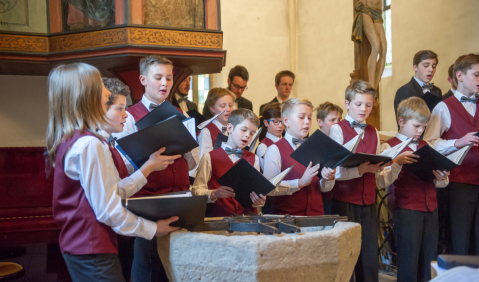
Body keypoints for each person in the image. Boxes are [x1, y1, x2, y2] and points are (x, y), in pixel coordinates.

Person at [46, 63, 180, 282]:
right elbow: (108, 210)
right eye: (101, 86)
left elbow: (111, 190)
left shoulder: (77, 138)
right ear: (86, 95)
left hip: (84, 246)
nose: (108, 92)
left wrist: (146, 169)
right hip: (91, 249)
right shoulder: (89, 144)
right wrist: (152, 228)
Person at [113, 55, 199, 282]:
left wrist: (189, 149)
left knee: (180, 267)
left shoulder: (183, 115)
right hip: (149, 202)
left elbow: (192, 165)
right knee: (148, 267)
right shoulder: (128, 117)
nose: (165, 83)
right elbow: (124, 164)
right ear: (143, 79)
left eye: (169, 78)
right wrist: (150, 156)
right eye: (158, 77)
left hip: (181, 198)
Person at [377, 97, 449, 282]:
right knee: (409, 264)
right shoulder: (388, 146)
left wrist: (441, 177)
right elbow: (381, 181)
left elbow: (436, 180)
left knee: (429, 262)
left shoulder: (426, 146)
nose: (420, 131)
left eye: (423, 127)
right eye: (416, 126)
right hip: (407, 210)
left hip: (431, 208)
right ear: (401, 121)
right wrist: (396, 162)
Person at [329, 80, 389, 282]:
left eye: (368, 105)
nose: (364, 109)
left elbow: (376, 167)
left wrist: (384, 166)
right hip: (345, 201)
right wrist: (360, 170)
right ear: (347, 103)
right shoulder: (337, 130)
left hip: (369, 201)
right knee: (348, 255)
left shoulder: (373, 132)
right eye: (358, 104)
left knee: (369, 255)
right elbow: (335, 173)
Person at [424, 54, 479, 256]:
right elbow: (428, 144)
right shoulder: (443, 107)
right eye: (477, 75)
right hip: (458, 184)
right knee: (460, 241)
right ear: (460, 75)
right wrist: (457, 142)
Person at [263, 98, 336, 216]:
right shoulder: (274, 150)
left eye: (309, 117)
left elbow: (322, 188)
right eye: (301, 117)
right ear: (286, 121)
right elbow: (269, 189)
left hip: (317, 217)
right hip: (288, 220)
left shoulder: (317, 147)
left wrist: (328, 179)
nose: (307, 122)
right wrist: (299, 183)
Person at [191, 109, 267, 216]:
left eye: (252, 133)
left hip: (247, 220)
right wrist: (213, 193)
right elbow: (196, 190)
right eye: (244, 130)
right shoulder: (210, 157)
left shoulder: (254, 158)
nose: (247, 135)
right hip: (218, 218)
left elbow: (255, 192)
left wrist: (258, 200)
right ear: (230, 128)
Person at [394, 50, 442, 119]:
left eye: (434, 66)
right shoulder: (404, 91)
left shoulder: (437, 91)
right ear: (415, 67)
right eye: (426, 65)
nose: (431, 70)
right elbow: (403, 123)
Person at [314, 101, 343, 215]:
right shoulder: (315, 144)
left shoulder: (342, 141)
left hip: (341, 196)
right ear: (319, 122)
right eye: (332, 120)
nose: (337, 124)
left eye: (339, 120)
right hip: (322, 198)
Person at [197, 87, 235, 159]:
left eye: (230, 105)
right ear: (212, 108)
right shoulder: (206, 131)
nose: (228, 109)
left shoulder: (234, 128)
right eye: (223, 106)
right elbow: (205, 162)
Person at [256, 102, 283, 171]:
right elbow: (269, 174)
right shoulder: (263, 147)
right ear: (265, 123)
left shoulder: (288, 141)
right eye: (275, 121)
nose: (280, 125)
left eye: (282, 121)